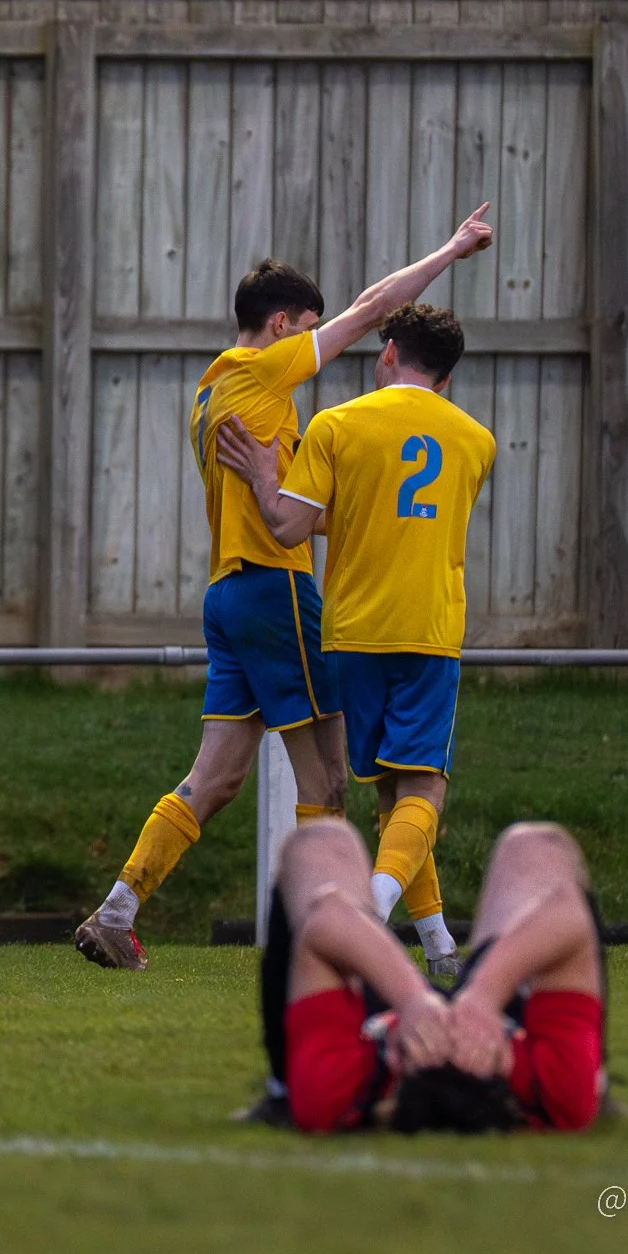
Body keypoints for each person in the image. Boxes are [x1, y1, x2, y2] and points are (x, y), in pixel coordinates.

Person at [73, 205, 496, 971]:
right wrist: (452, 249)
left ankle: (118, 908)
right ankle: (320, 940)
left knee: (217, 774)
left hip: (227, 595)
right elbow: (374, 308)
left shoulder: (211, 391)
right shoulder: (261, 371)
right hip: (276, 590)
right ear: (279, 327)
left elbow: (306, 510)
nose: (318, 347)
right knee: (330, 779)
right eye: (307, 329)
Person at [217, 300, 496, 977]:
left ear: (389, 352)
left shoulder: (337, 425)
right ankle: (370, 908)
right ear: (448, 378)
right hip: (427, 629)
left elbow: (288, 526)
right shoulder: (475, 441)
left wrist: (261, 476)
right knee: (423, 791)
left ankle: (439, 949)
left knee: (388, 797)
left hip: (352, 633)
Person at [256, 818, 605, 1134]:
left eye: (438, 1046)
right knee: (536, 846)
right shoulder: (556, 1089)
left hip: (365, 1033)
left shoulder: (337, 1090)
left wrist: (412, 1000)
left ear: (396, 1059)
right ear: (499, 1060)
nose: (449, 1034)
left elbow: (325, 915)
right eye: (459, 1047)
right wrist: (484, 999)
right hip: (505, 1034)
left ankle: (281, 1089)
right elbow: (568, 913)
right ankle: (597, 1077)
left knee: (319, 841)